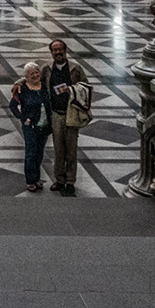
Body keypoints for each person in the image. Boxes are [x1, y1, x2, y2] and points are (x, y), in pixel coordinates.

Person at [44, 39, 91, 194]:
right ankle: (59, 180)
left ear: (65, 51)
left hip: (71, 114)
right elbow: (33, 78)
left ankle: (70, 180)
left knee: (71, 150)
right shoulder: (47, 69)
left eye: (60, 49)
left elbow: (86, 88)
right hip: (56, 114)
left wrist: (72, 90)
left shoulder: (75, 69)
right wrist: (19, 82)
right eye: (55, 50)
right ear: (51, 53)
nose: (58, 52)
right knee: (58, 150)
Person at [9, 61, 54, 192]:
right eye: (31, 74)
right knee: (31, 152)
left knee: (40, 152)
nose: (35, 75)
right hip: (30, 127)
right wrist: (22, 117)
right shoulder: (22, 89)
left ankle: (37, 178)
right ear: (26, 77)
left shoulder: (44, 87)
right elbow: (12, 105)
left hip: (44, 125)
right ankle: (30, 180)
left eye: (36, 72)